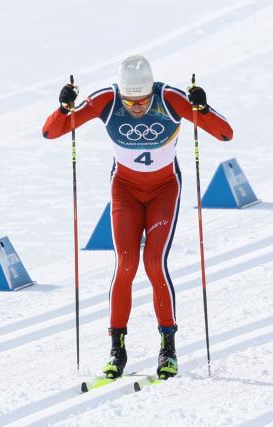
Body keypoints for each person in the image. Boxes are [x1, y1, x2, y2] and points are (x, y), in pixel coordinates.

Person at [42, 55, 233, 379]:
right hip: (126, 191)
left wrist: (203, 108)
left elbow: (225, 134)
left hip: (164, 191)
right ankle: (117, 348)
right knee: (126, 264)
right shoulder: (107, 99)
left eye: (143, 100)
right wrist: (63, 109)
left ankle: (168, 347)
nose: (137, 107)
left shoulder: (170, 98)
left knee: (154, 263)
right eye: (131, 101)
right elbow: (51, 132)